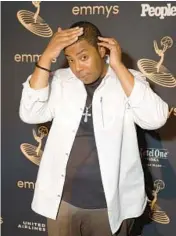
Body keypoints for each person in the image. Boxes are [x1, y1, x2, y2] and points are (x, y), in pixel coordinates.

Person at [19, 21, 168, 236]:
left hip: (111, 207)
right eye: (70, 59)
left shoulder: (129, 79)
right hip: (62, 203)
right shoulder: (60, 80)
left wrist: (118, 66)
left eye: (84, 57)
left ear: (101, 50)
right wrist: (46, 57)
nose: (77, 68)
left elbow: (155, 118)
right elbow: (30, 113)